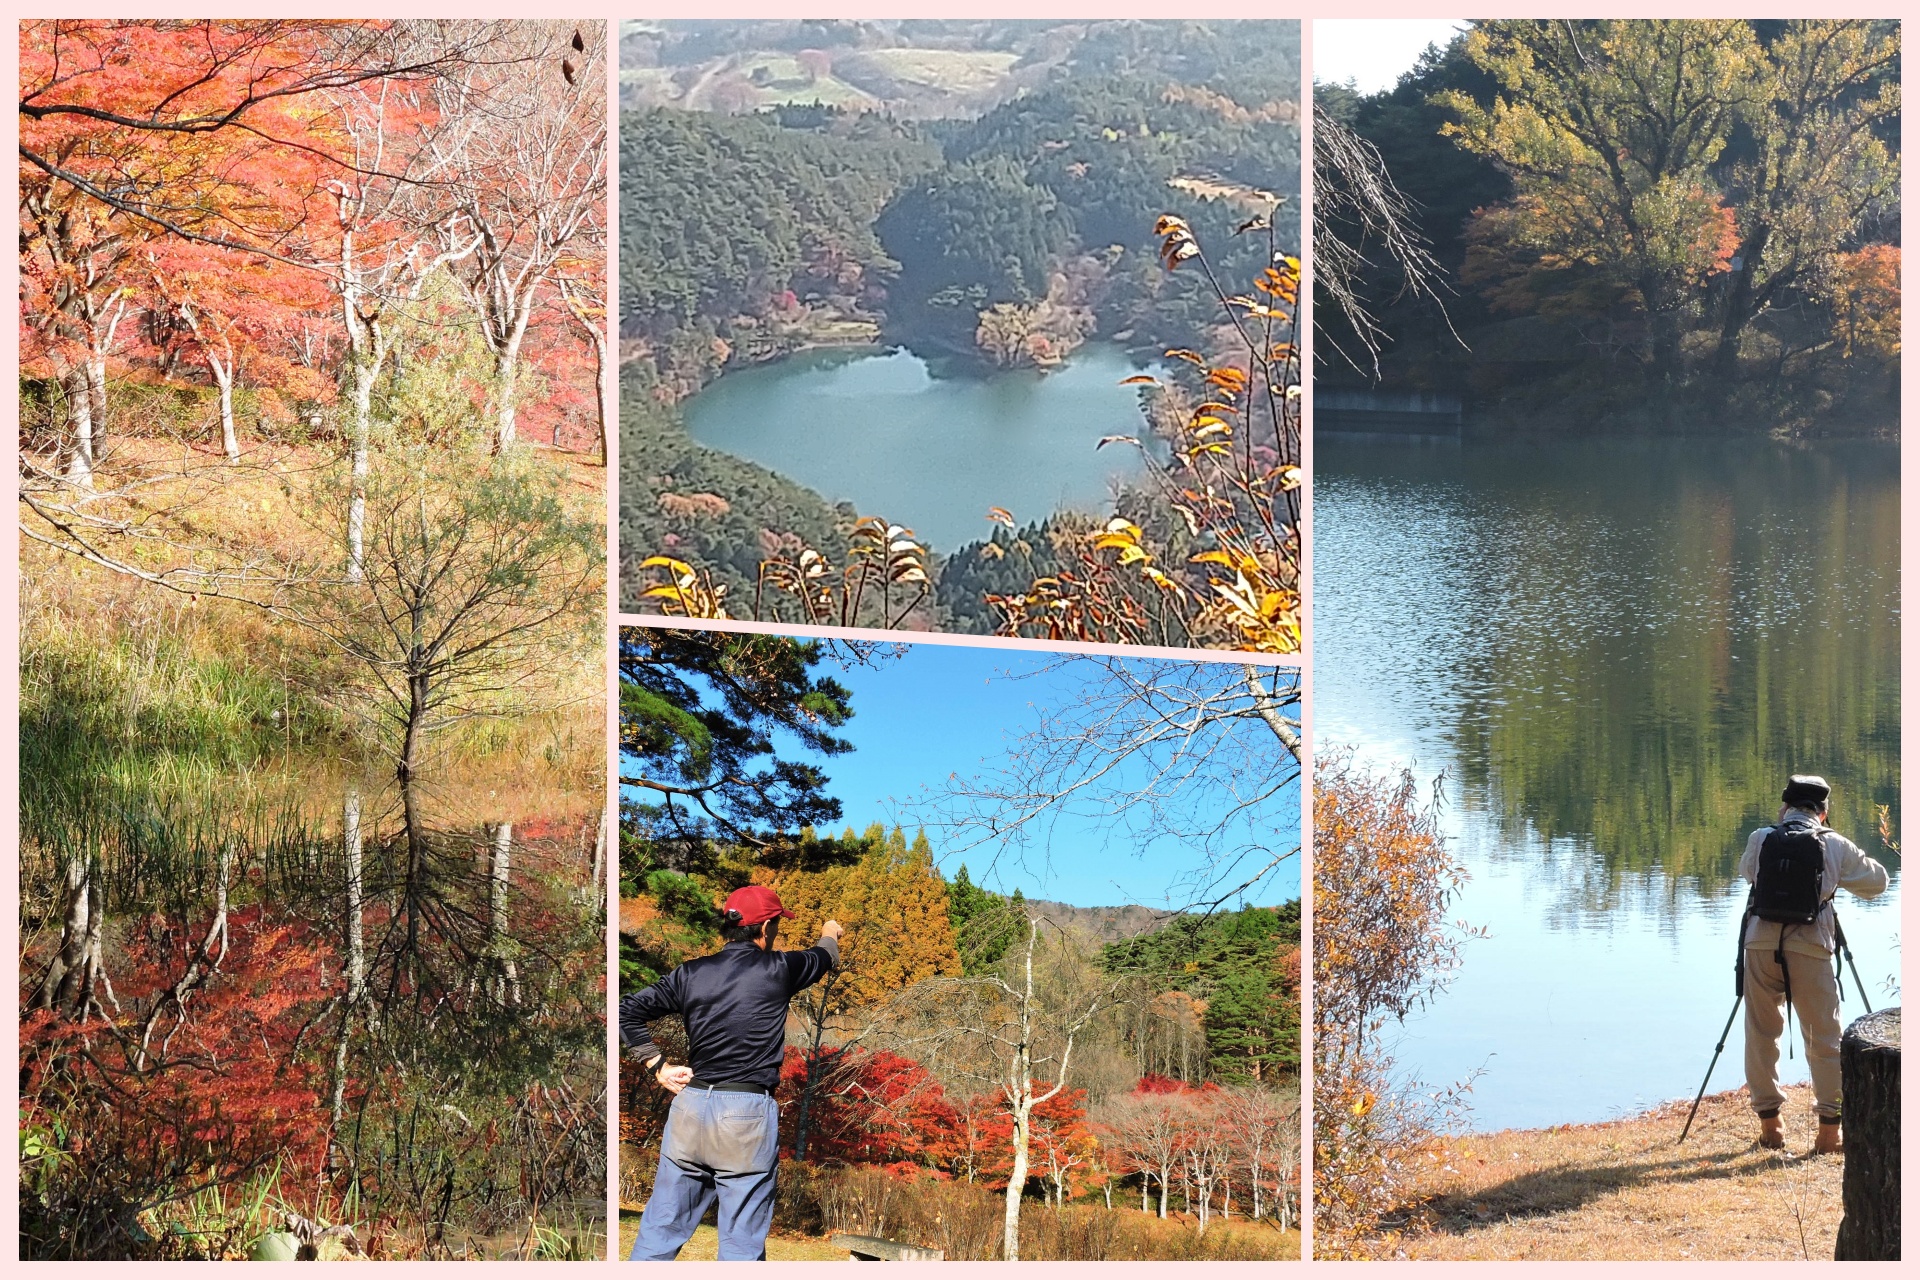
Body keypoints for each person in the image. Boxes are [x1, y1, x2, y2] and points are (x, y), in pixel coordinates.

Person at [620, 884, 844, 1261]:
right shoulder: (780, 970)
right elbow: (825, 956)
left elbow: (628, 1010)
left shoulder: (690, 974)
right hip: (745, 1114)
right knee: (741, 1247)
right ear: (767, 926)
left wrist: (657, 1065)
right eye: (775, 925)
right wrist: (829, 931)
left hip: (690, 1107)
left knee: (658, 1235)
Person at [1738, 775, 1887, 1154]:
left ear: (1784, 807)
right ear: (1824, 811)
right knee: (1823, 1037)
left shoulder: (1761, 838)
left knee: (1760, 1033)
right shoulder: (1832, 843)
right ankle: (1829, 1133)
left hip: (1759, 943)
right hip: (1810, 945)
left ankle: (1771, 1126)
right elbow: (1879, 883)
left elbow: (1747, 873)